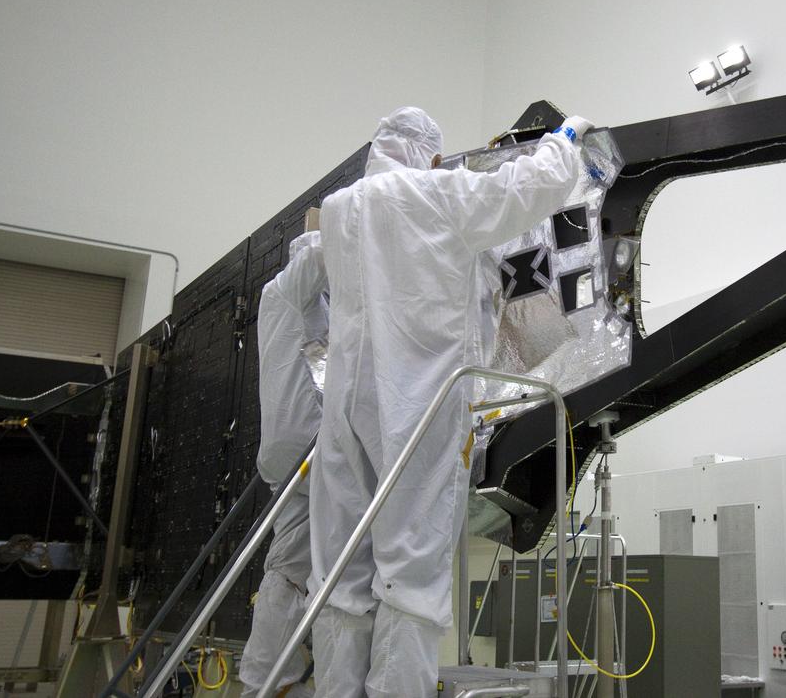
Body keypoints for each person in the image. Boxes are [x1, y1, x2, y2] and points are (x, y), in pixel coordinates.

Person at [307, 106, 589, 697]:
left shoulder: (337, 212)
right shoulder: (436, 194)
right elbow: (524, 190)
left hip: (345, 414)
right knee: (410, 577)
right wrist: (565, 141)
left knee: (341, 577)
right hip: (416, 406)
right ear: (429, 156)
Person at [237, 228, 328, 698]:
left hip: (290, 452)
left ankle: (268, 681)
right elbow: (325, 252)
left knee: (288, 566)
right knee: (347, 557)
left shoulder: (297, 308)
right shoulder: (288, 289)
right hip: (308, 447)